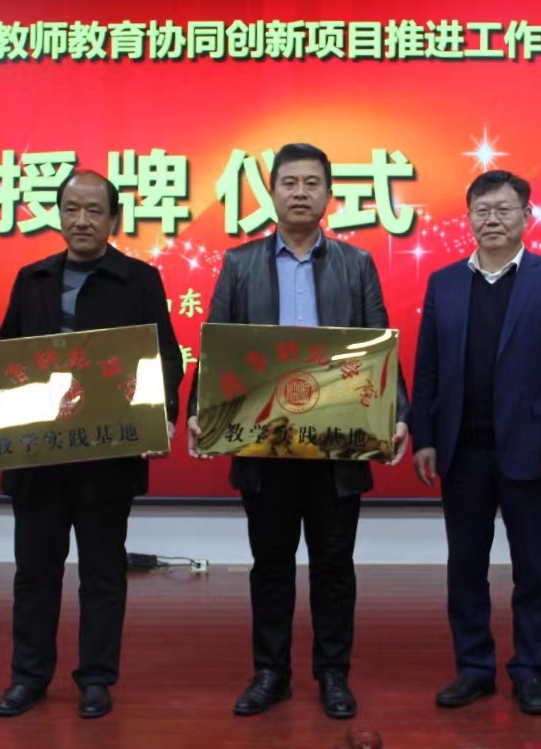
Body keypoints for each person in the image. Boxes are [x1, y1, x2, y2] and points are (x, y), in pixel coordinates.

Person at [186, 142, 410, 720]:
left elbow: (379, 345)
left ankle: (333, 674)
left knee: (335, 564)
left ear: (329, 194)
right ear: (273, 193)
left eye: (312, 183)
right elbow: (218, 344)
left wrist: (398, 414)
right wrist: (200, 411)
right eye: (290, 182)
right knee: (271, 563)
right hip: (264, 443)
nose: (301, 192)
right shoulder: (240, 264)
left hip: (338, 442)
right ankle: (271, 673)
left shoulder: (357, 264)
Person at [0, 170, 183, 720]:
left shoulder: (139, 281)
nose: (82, 220)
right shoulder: (31, 279)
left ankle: (96, 679)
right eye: (72, 209)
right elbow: (6, 354)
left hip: (106, 457)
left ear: (114, 219)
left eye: (94, 210)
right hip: (38, 458)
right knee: (35, 573)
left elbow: (165, 359)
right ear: (59, 216)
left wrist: (161, 417)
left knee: (103, 574)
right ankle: (28, 677)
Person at [409, 169, 541, 716]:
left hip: (532, 451)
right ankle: (474, 669)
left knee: (533, 570)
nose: (492, 220)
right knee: (465, 567)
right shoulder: (443, 283)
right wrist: (424, 437)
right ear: (468, 218)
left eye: (504, 210)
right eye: (482, 210)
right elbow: (427, 370)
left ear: (526, 216)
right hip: (461, 451)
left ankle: (530, 671)